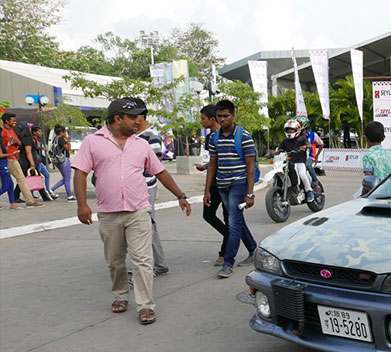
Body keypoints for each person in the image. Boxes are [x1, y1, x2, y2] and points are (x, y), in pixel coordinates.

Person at [72, 98, 191, 325]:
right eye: (133, 117)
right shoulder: (92, 142)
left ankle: (146, 305)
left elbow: (160, 172)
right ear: (118, 119)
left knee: (142, 260)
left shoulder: (141, 144)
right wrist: (82, 204)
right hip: (109, 213)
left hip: (138, 210)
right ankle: (120, 295)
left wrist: (180, 195)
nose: (138, 121)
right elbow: (80, 173)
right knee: (115, 261)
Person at [203, 99, 258, 279]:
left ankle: (228, 263)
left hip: (239, 184)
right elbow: (212, 164)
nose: (223, 119)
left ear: (233, 116)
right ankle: (253, 250)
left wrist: (250, 193)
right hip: (222, 185)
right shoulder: (214, 138)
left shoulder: (244, 136)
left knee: (233, 223)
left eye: (226, 116)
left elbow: (250, 167)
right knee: (237, 220)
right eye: (220, 116)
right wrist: (207, 190)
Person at [132, 98, 169, 276]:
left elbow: (154, 165)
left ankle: (147, 266)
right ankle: (159, 263)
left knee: (144, 225)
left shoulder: (151, 136)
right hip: (135, 187)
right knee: (146, 225)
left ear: (139, 117)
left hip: (146, 187)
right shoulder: (132, 136)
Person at [196, 104, 228, 267]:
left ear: (212, 119)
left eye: (203, 118)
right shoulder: (210, 138)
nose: (201, 122)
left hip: (231, 183)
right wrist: (206, 189)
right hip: (215, 182)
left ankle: (225, 252)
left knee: (231, 219)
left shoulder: (231, 134)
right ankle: (229, 237)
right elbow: (214, 162)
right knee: (208, 215)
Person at [1, 113, 42, 207]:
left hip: (14, 157)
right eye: (13, 120)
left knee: (5, 183)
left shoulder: (11, 130)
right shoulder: (2, 131)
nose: (15, 122)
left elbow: (19, 143)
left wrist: (15, 141)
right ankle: (30, 201)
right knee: (21, 178)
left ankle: (16, 202)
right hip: (8, 157)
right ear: (7, 121)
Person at [277, 118, 315, 202]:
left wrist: (304, 147)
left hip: (300, 161)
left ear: (297, 130)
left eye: (292, 129)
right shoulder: (285, 141)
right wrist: (272, 153)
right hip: (289, 162)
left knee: (302, 174)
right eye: (288, 130)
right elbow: (280, 150)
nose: (290, 131)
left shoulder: (301, 138)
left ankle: (309, 191)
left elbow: (309, 145)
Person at [50, 125, 76, 201]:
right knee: (67, 178)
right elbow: (68, 148)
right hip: (63, 160)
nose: (66, 133)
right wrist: (68, 141)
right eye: (65, 132)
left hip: (57, 160)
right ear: (62, 132)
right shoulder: (61, 139)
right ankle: (69, 196)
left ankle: (51, 190)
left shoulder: (55, 139)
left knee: (65, 178)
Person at [0, 134, 20, 208]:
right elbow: (1, 155)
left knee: (10, 185)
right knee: (5, 187)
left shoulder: (1, 144)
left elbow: (2, 152)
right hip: (2, 165)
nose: (2, 134)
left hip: (4, 164)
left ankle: (13, 203)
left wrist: (8, 145)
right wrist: (12, 153)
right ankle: (12, 203)